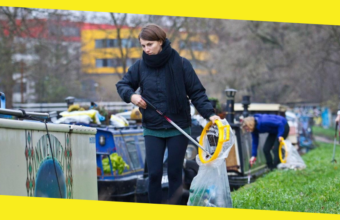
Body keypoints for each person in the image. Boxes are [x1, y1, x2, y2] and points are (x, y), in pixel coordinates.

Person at [116, 23, 220, 205]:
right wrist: (132, 96)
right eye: (143, 46)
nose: (146, 49)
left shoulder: (181, 64)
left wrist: (210, 115)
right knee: (154, 174)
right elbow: (122, 85)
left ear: (161, 41)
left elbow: (196, 92)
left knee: (174, 173)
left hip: (178, 126)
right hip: (152, 127)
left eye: (150, 44)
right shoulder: (139, 66)